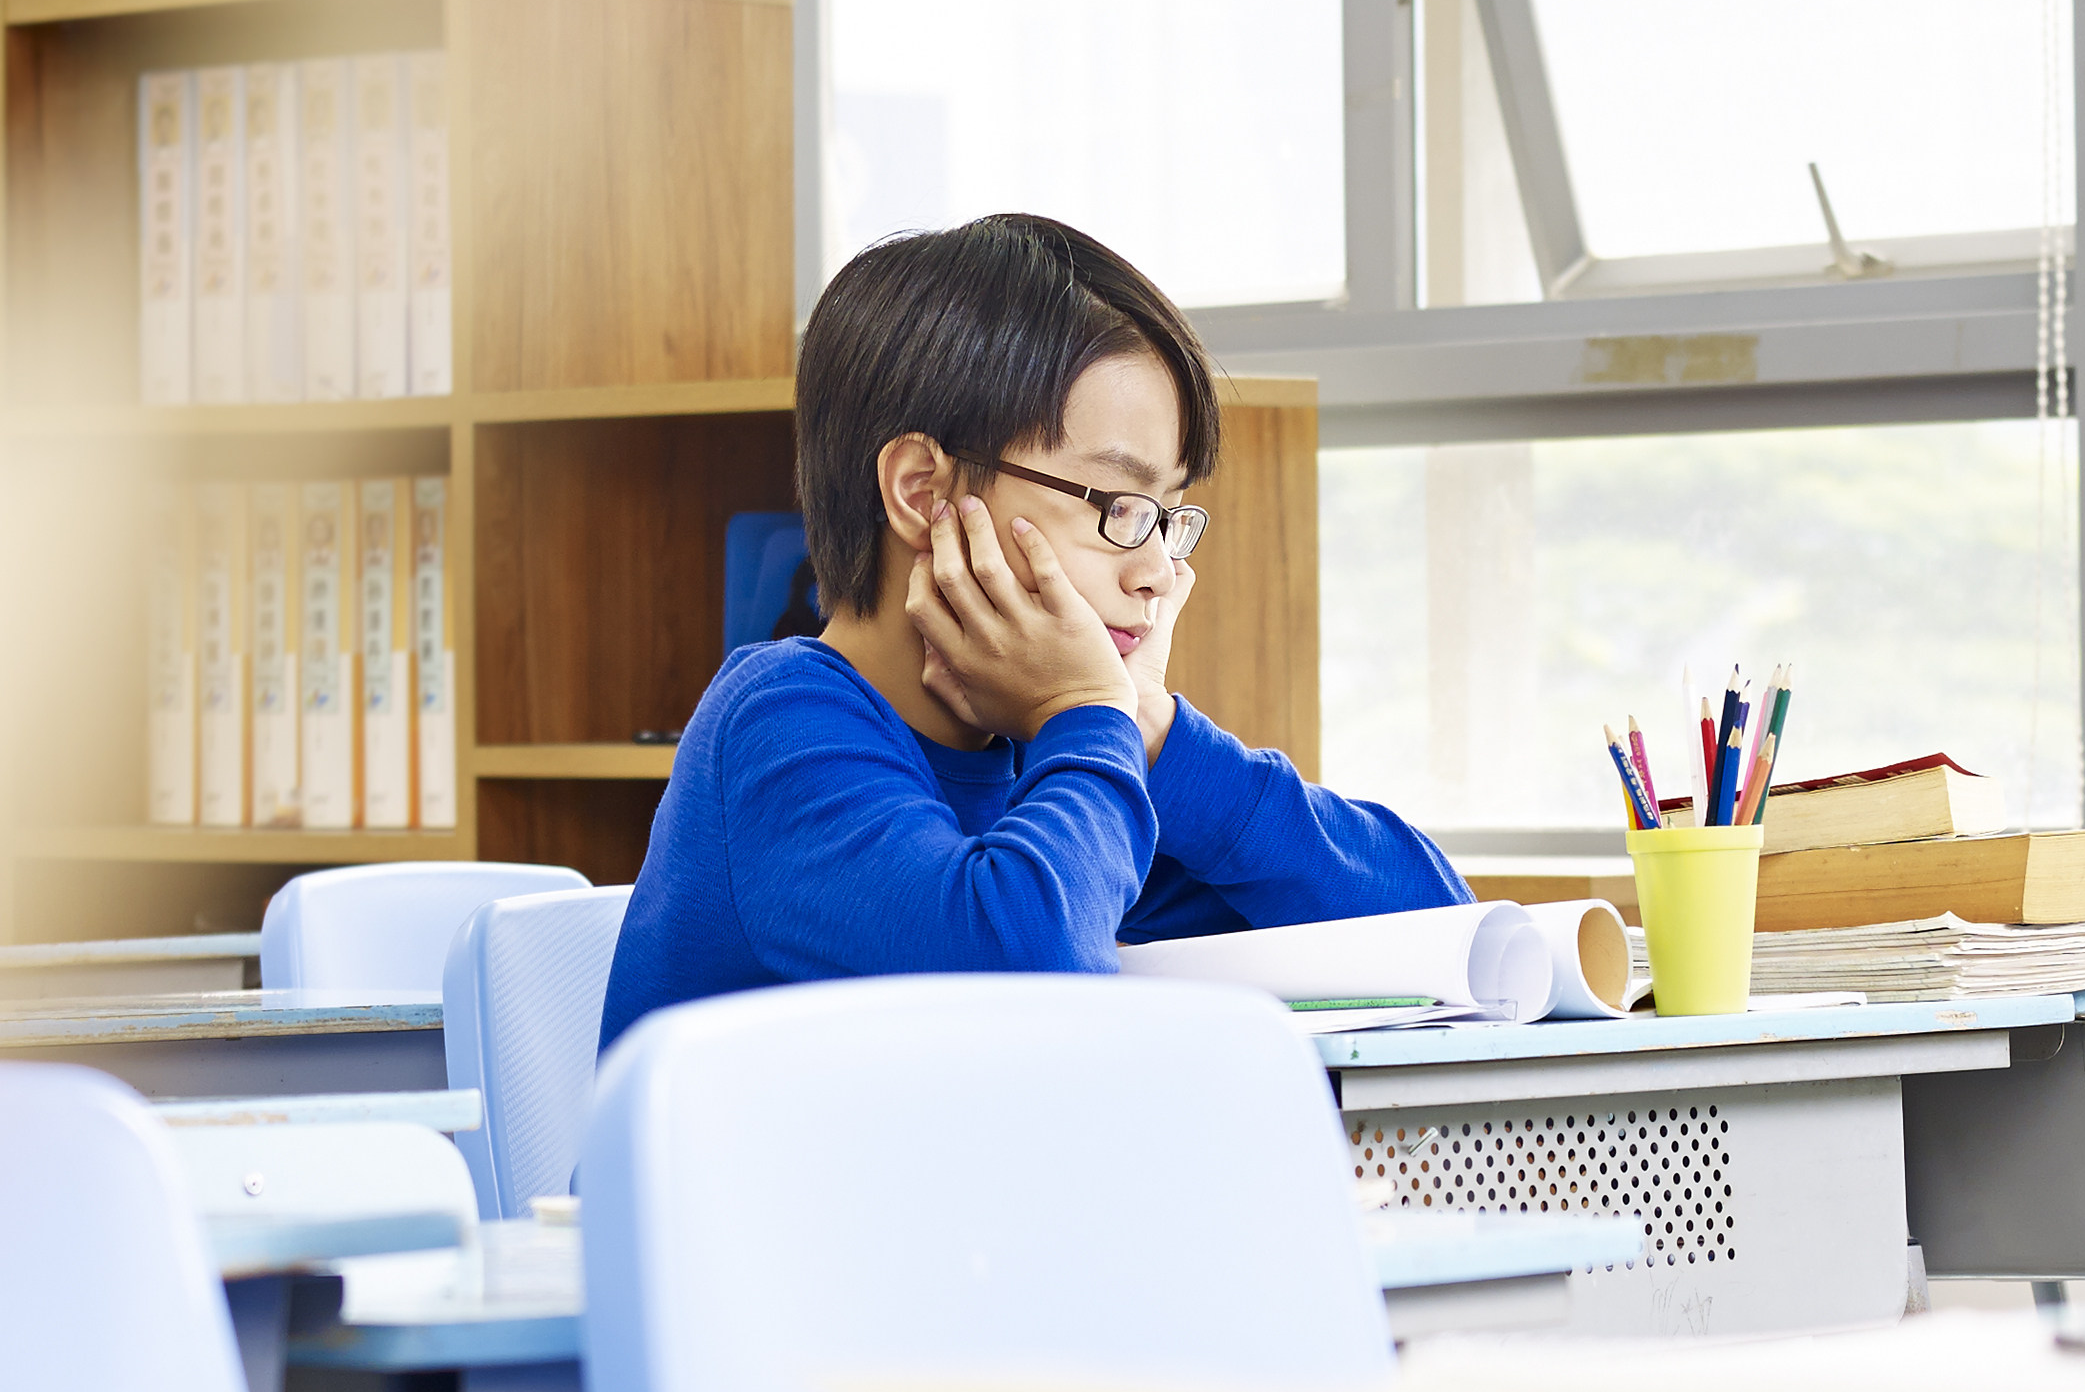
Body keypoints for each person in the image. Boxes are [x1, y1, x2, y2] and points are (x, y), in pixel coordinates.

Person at [598, 213, 1466, 1043]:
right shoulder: (779, 726)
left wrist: (1155, 734)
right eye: (1115, 505)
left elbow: (1438, 935)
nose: (1158, 569)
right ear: (924, 494)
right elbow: (1028, 983)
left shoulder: (1048, 761)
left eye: (1167, 513)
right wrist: (1089, 712)